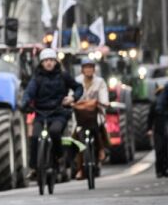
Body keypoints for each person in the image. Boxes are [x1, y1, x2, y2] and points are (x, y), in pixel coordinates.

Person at [21, 48, 83, 180]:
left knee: (55, 132)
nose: (48, 63)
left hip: (59, 113)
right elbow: (28, 92)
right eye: (45, 61)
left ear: (55, 62)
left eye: (51, 60)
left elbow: (78, 87)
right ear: (41, 63)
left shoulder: (63, 76)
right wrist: (25, 102)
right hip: (41, 113)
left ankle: (59, 157)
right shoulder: (36, 78)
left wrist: (73, 98)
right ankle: (34, 168)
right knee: (34, 137)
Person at [73, 57, 110, 178]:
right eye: (86, 67)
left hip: (95, 112)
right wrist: (71, 101)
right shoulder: (77, 81)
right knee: (76, 135)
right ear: (82, 70)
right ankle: (78, 168)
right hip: (80, 114)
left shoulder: (100, 82)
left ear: (94, 69)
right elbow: (71, 94)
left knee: (100, 128)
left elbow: (103, 95)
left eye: (90, 67)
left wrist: (104, 102)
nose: (88, 70)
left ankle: (101, 150)